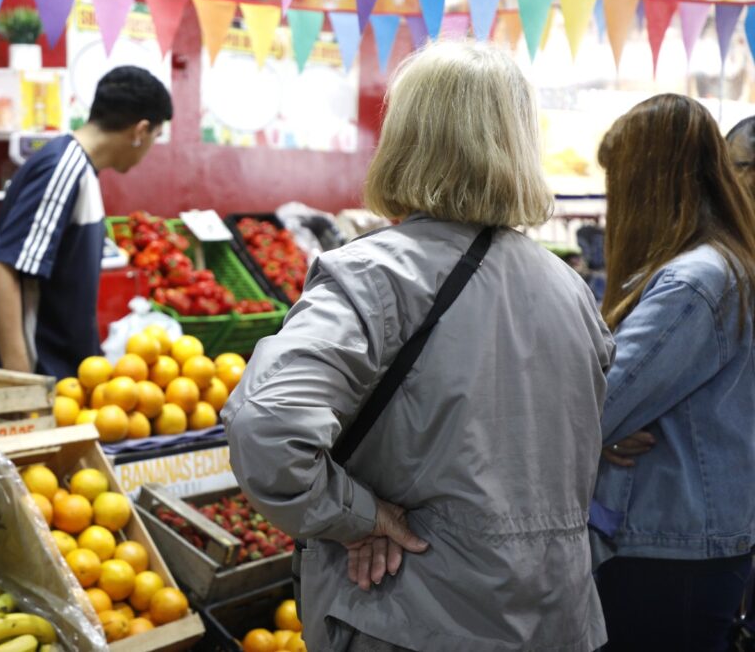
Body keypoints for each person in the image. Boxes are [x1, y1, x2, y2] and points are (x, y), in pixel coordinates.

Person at [223, 42, 613, 652]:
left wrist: (359, 517)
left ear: (404, 138)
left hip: (414, 616)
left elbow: (267, 426)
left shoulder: (374, 275)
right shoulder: (570, 288)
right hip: (557, 617)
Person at [591, 94, 755, 651]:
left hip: (670, 549)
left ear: (649, 183)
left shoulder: (695, 281)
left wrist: (596, 431)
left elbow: (597, 405)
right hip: (682, 541)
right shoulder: (718, 266)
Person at [0, 66, 172, 377]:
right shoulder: (63, 168)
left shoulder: (80, 169)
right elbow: (1, 266)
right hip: (39, 375)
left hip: (65, 376)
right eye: (155, 137)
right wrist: (20, 379)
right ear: (140, 131)